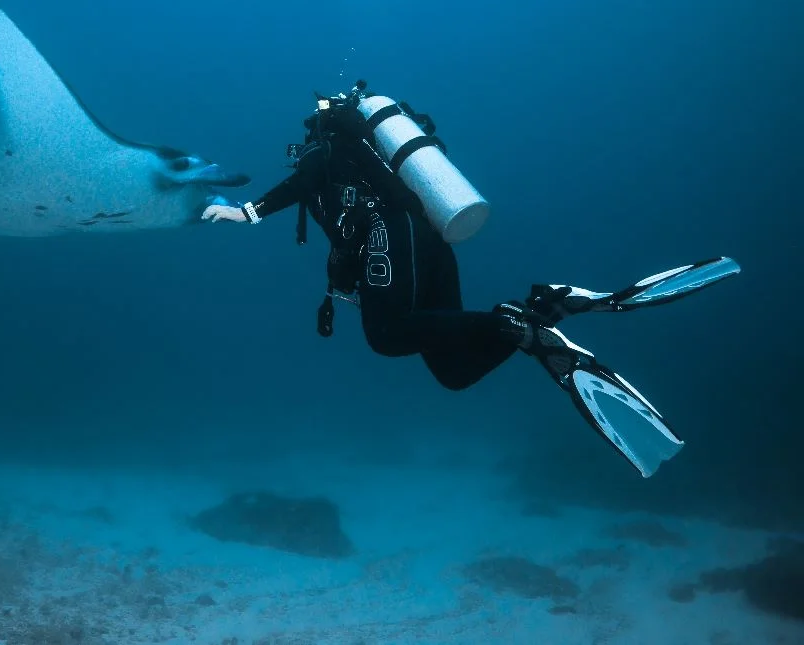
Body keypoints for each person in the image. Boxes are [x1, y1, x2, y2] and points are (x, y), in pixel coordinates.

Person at [201, 81, 740, 478]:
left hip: (397, 238)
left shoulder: (331, 148)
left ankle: (518, 320)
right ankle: (539, 315)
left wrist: (245, 211)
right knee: (454, 372)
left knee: (388, 338)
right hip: (429, 240)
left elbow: (303, 182)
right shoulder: (362, 155)